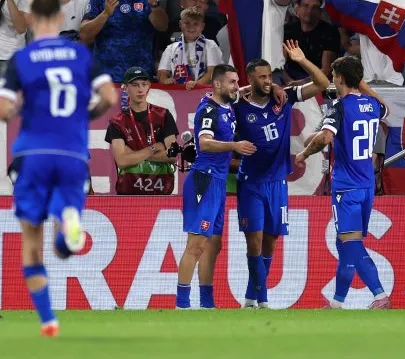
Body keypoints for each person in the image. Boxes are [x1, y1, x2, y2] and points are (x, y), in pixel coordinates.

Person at [0, 0, 117, 335]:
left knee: (31, 238)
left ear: (31, 18)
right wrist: (84, 115)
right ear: (61, 18)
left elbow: (0, 110)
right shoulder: (80, 54)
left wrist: (23, 108)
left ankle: (48, 319)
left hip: (33, 152)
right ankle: (67, 223)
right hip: (73, 152)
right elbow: (109, 96)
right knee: (63, 235)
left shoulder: (22, 59)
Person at [236, 42, 328, 308]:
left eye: (269, 76)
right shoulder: (239, 105)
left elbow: (321, 83)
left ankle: (250, 297)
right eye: (262, 77)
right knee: (253, 240)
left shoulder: (284, 97)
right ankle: (262, 299)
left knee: (270, 240)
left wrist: (302, 60)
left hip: (278, 183)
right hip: (251, 182)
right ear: (250, 78)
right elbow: (213, 97)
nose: (267, 81)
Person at [294, 56, 391, 309]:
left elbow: (326, 137)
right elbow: (385, 108)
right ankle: (337, 303)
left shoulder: (339, 106)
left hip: (346, 187)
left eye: (335, 75)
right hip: (366, 186)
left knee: (351, 245)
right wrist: (361, 83)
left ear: (338, 78)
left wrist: (304, 154)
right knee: (345, 243)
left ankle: (380, 296)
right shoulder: (371, 104)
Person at [176, 64, 255, 310]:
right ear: (218, 84)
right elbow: (205, 143)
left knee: (213, 245)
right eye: (232, 82)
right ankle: (182, 305)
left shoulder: (225, 104)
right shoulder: (209, 110)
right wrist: (234, 146)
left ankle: (207, 304)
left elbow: (239, 91)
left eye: (237, 81)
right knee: (197, 244)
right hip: (205, 179)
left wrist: (267, 86)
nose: (236, 87)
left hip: (218, 182)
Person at [79, 0, 168, 82]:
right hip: (106, 78)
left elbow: (163, 26)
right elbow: (84, 35)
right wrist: (105, 14)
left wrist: (154, 5)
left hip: (140, 79)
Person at [105, 66, 179, 195]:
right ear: (125, 88)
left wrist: (133, 154)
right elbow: (122, 161)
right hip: (129, 194)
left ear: (149, 86)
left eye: (144, 84)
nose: (140, 89)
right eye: (134, 85)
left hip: (162, 192)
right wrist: (154, 148)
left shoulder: (163, 115)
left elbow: (173, 155)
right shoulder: (117, 122)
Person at [157, 6, 222, 86]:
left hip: (203, 92)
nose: (191, 27)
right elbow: (162, 73)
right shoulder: (170, 48)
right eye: (187, 23)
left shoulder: (210, 45)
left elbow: (213, 72)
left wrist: (196, 84)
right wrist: (165, 80)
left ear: (202, 26)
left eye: (196, 23)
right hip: (178, 92)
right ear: (180, 24)